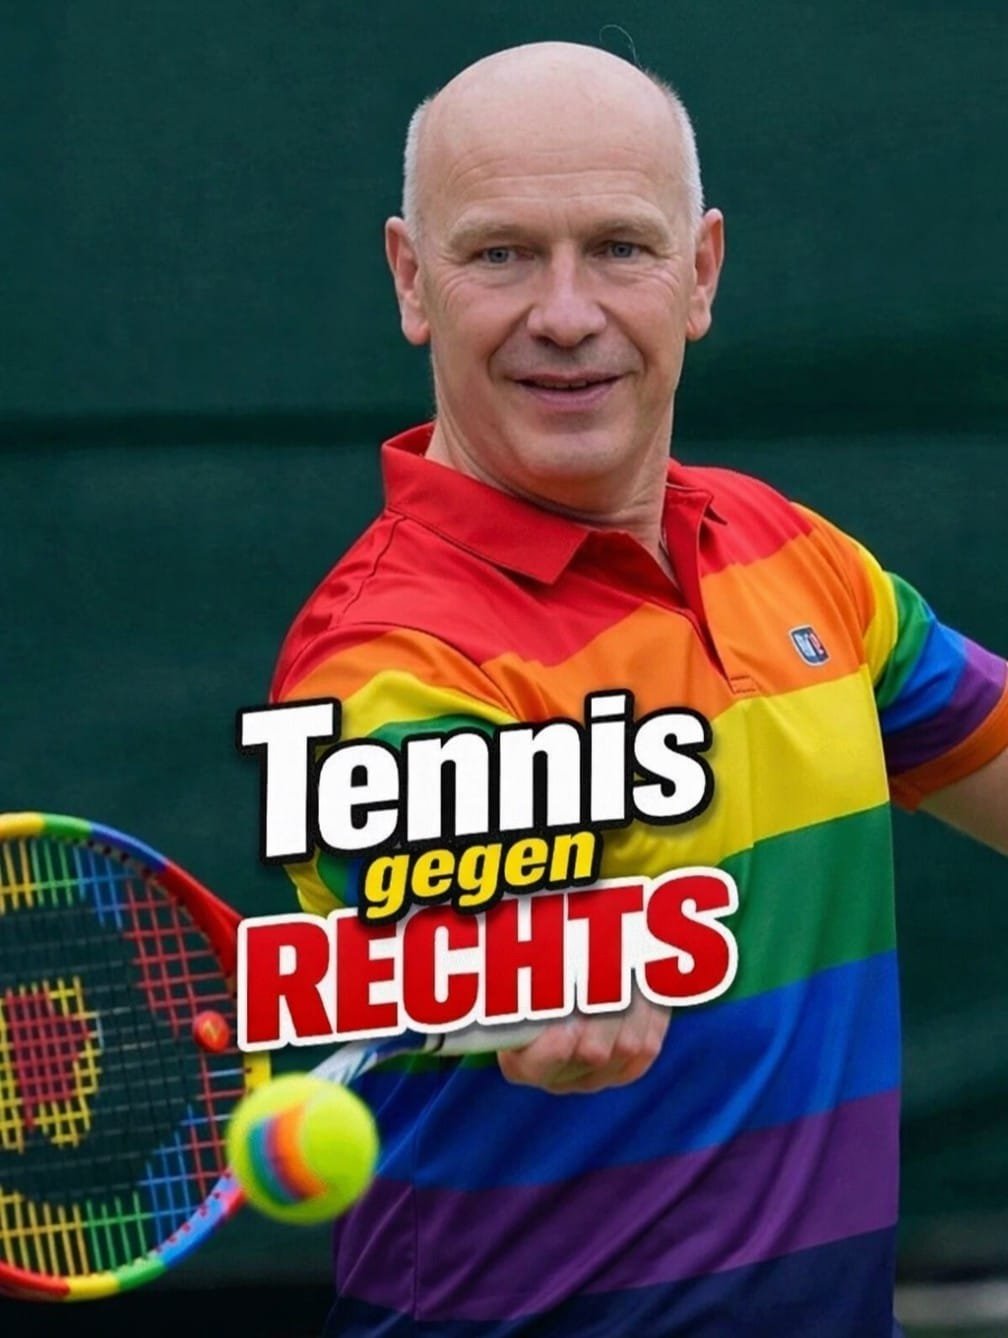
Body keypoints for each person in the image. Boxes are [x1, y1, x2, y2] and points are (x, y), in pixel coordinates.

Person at [269, 41, 1007, 1337]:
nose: (565, 312)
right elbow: (469, 895)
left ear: (701, 272)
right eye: (502, 254)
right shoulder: (383, 665)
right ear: (412, 280)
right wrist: (535, 966)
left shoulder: (798, 556)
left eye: (620, 247)